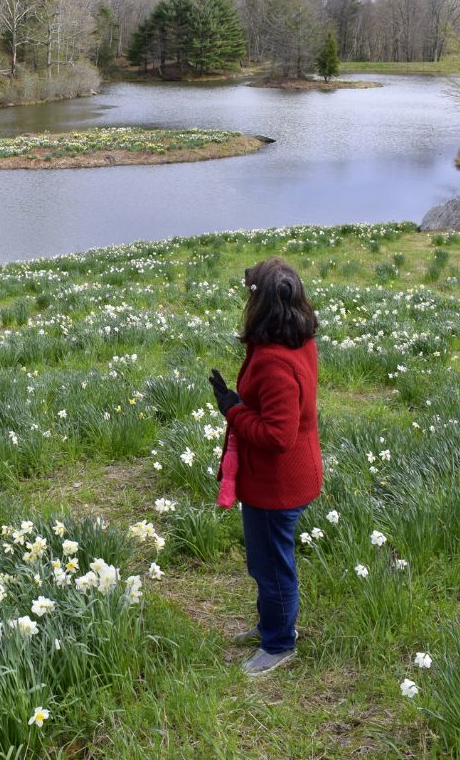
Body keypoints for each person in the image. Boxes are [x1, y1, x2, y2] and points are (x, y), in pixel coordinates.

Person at [208, 257, 322, 677]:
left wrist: (233, 410)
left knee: (271, 567)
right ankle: (271, 625)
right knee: (270, 563)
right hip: (291, 475)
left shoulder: (275, 361)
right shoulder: (297, 337)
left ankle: (278, 645)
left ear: (260, 305)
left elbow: (277, 437)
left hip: (278, 485)